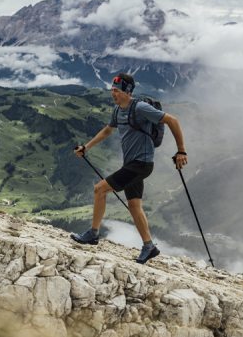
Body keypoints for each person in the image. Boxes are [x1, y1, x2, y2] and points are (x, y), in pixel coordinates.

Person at [71, 73, 187, 263]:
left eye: (116, 91)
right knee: (134, 206)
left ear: (127, 92)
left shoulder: (140, 108)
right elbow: (107, 130)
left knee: (99, 190)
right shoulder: (117, 111)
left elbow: (173, 121)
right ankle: (149, 247)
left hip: (141, 164)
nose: (113, 95)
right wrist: (86, 147)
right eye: (112, 91)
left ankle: (93, 234)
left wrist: (181, 151)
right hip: (131, 164)